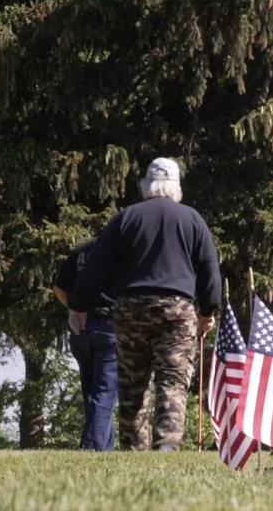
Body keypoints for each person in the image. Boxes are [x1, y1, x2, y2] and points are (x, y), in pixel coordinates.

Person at [70, 157, 221, 451]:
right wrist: (208, 311)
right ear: (176, 186)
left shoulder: (127, 217)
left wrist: (79, 305)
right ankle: (166, 447)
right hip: (177, 311)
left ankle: (134, 449)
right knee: (173, 381)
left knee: (132, 383)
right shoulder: (192, 219)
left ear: (146, 185)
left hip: (130, 308)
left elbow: (97, 265)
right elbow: (209, 269)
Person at [53, 238, 118, 451]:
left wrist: (73, 309)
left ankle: (104, 447)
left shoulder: (81, 251)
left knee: (92, 392)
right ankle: (92, 448)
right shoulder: (120, 250)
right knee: (105, 392)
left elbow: (59, 289)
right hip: (109, 328)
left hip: (80, 330)